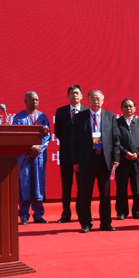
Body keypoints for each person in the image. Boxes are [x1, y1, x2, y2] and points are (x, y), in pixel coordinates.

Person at [72, 89, 120, 233]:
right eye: (93, 98)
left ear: (103, 101)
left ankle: (106, 222)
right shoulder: (80, 117)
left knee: (105, 194)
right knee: (85, 193)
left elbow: (116, 140)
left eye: (98, 98)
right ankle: (86, 223)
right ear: (87, 100)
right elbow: (74, 141)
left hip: (104, 160)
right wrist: (75, 161)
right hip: (86, 160)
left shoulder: (110, 116)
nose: (95, 101)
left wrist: (116, 158)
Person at [13, 91, 50, 225]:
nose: (34, 102)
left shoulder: (43, 117)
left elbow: (47, 136)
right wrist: (30, 148)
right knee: (25, 184)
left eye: (36, 100)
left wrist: (38, 148)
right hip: (25, 156)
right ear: (25, 101)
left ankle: (38, 214)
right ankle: (24, 215)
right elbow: (17, 136)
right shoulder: (18, 118)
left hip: (39, 156)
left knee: (38, 184)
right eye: (32, 100)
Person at [54, 85, 87, 223]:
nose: (75, 95)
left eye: (77, 93)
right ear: (68, 96)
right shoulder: (61, 111)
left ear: (82, 96)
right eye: (72, 93)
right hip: (66, 154)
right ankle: (66, 214)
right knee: (66, 185)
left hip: (82, 155)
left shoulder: (87, 111)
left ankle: (82, 214)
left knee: (82, 185)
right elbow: (58, 132)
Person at [115, 98, 139, 220]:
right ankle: (122, 212)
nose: (128, 108)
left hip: (136, 160)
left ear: (134, 108)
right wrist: (125, 152)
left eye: (130, 106)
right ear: (121, 108)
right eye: (126, 106)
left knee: (137, 187)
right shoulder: (116, 123)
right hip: (122, 160)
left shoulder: (138, 123)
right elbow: (115, 141)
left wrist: (138, 154)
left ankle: (138, 210)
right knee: (121, 187)